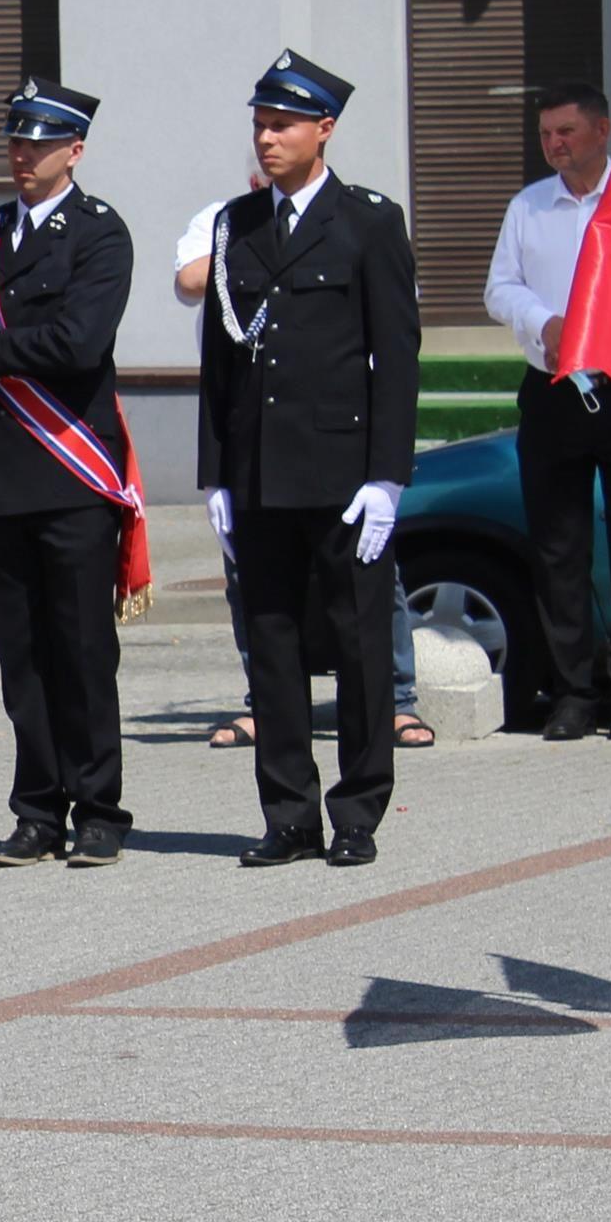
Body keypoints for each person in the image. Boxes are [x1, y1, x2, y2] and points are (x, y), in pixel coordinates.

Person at [199, 52, 420, 868]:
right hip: (261, 473)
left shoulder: (368, 221)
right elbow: (221, 359)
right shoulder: (238, 225)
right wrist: (217, 474)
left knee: (361, 645)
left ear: (323, 130)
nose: (267, 138)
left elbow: (396, 354)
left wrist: (388, 475)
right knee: (274, 644)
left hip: (342, 472)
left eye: (283, 124)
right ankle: (288, 814)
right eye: (260, 123)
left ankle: (356, 810)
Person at [0, 80, 137, 869]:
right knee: (21, 659)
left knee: (82, 652)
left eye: (41, 143)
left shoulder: (99, 234)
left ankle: (100, 809)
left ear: (74, 151)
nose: (25, 155)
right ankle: (37, 810)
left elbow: (80, 340)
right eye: (17, 141)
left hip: (73, 476)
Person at [485, 81, 611, 741]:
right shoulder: (530, 206)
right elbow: (499, 286)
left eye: (566, 131)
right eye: (546, 134)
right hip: (555, 389)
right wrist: (543, 321)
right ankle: (571, 690)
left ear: (601, 130)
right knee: (559, 545)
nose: (554, 145)